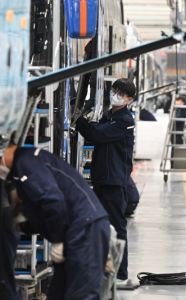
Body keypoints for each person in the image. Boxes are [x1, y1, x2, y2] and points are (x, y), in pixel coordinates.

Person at [0, 145, 110, 300]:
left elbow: (52, 200)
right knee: (58, 293)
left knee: (81, 294)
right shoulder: (27, 164)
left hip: (85, 229)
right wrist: (24, 224)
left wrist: (58, 240)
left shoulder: (25, 162)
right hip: (76, 230)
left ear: (3, 153)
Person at [75, 78, 136, 283]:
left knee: (117, 226)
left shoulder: (124, 120)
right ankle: (105, 269)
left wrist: (79, 119)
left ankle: (121, 273)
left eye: (121, 93)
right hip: (102, 179)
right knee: (102, 225)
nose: (115, 94)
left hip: (114, 182)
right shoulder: (110, 115)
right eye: (115, 90)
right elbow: (94, 134)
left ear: (129, 99)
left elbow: (97, 135)